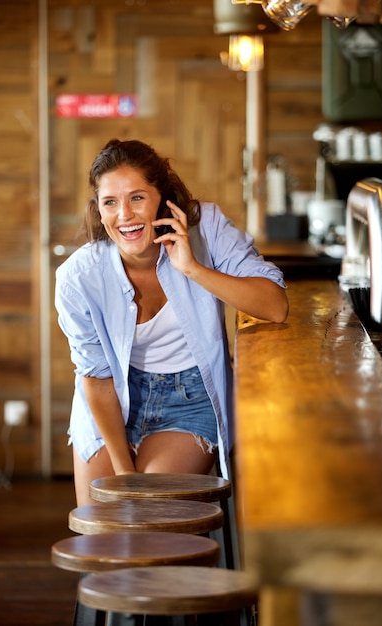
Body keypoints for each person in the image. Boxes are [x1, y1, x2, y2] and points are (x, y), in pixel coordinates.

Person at [55, 138, 289, 506]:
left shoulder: (206, 228)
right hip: (113, 400)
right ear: (98, 211)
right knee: (107, 529)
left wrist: (191, 268)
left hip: (190, 400)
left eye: (137, 198)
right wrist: (124, 472)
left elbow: (275, 306)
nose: (124, 216)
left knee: (151, 515)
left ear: (162, 199)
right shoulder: (78, 277)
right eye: (110, 202)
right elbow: (96, 380)